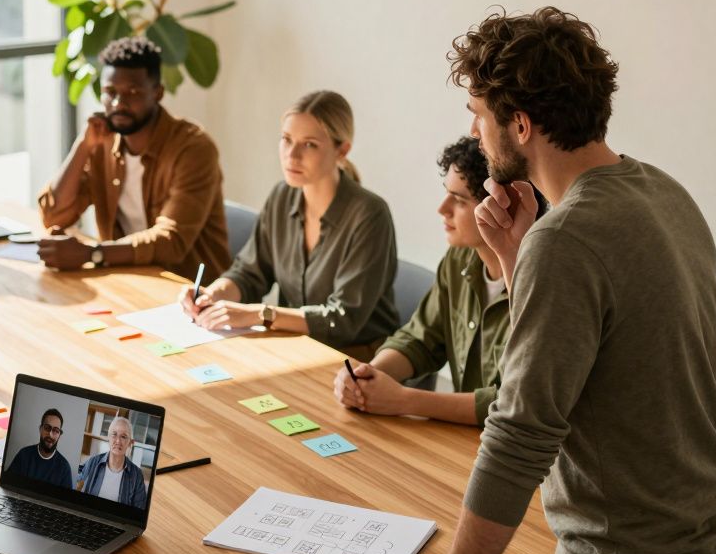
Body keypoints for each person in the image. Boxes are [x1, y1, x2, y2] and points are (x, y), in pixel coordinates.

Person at [367, 7, 716, 554]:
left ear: (519, 125)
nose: (474, 132)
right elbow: (603, 360)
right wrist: (518, 261)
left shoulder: (568, 238)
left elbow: (520, 431)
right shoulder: (662, 192)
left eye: (478, 114)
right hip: (712, 543)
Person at [180, 91, 398, 360]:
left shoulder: (369, 214)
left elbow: (342, 320)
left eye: (309, 145)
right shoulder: (282, 196)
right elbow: (250, 273)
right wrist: (212, 294)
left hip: (358, 358)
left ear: (342, 151)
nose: (292, 155)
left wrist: (261, 314)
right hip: (298, 347)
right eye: (286, 139)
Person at [333, 137, 528, 425]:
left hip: (508, 445)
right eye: (447, 194)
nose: (442, 208)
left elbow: (515, 403)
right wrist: (368, 376)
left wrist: (403, 400)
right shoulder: (460, 258)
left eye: (459, 200)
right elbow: (421, 339)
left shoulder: (540, 280)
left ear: (502, 208)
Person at [37, 36, 230, 280]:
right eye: (110, 92)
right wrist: (83, 146)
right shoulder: (103, 142)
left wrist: (92, 254)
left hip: (189, 289)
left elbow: (171, 241)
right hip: (128, 280)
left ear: (158, 93)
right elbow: (54, 216)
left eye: (133, 92)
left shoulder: (193, 149)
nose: (119, 103)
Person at [76, 416, 148, 509]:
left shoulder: (137, 475)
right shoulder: (92, 462)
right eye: (114, 434)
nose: (118, 441)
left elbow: (139, 510)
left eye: (123, 437)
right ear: (108, 438)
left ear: (130, 443)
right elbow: (76, 485)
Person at [5, 409, 74, 489]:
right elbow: (7, 485)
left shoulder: (64, 468)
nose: (50, 435)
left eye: (56, 431)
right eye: (47, 428)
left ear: (59, 435)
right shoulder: (23, 455)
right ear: (40, 429)